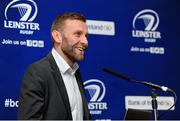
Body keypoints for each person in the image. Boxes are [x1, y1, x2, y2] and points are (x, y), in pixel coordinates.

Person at [18, 12, 91, 120]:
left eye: (86, 36)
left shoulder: (75, 72)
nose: (85, 42)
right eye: (77, 34)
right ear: (57, 37)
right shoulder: (38, 72)